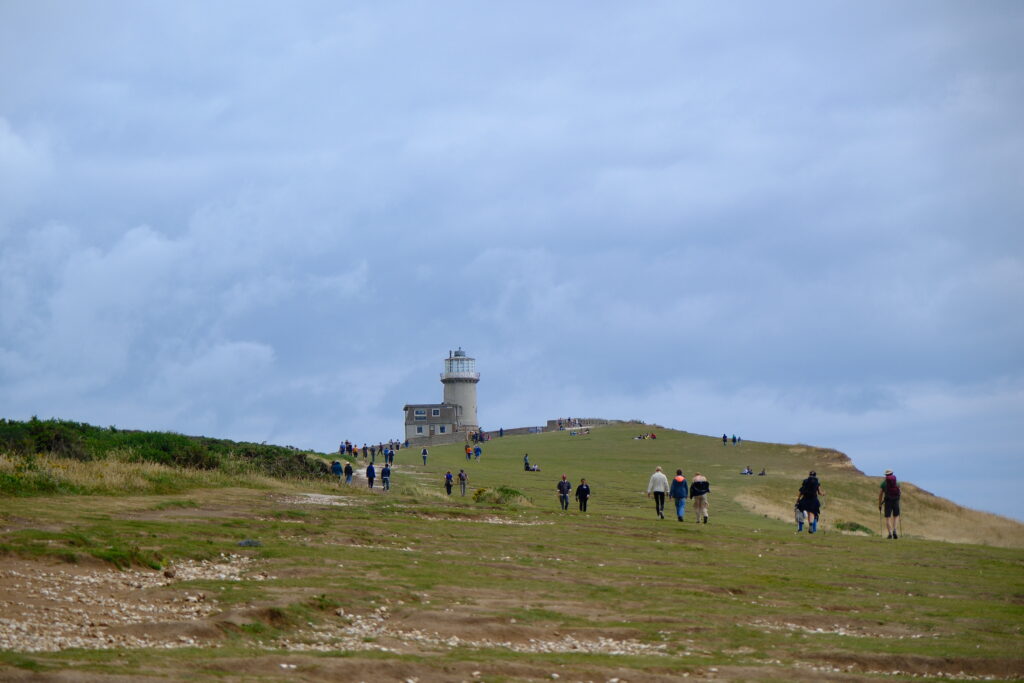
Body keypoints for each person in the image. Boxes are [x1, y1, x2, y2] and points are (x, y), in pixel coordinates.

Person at [878, 469, 901, 539]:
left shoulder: (883, 483)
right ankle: (894, 531)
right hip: (896, 500)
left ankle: (890, 533)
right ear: (892, 474)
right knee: (896, 516)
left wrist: (880, 504)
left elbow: (880, 494)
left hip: (888, 501)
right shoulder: (897, 482)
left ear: (886, 475)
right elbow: (900, 492)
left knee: (888, 517)